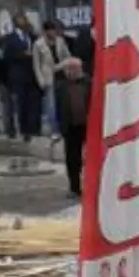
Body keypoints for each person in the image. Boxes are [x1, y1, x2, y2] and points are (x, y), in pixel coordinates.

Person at [53, 58, 91, 197]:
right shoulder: (61, 86)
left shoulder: (89, 83)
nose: (70, 72)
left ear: (79, 69)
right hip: (70, 127)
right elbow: (57, 108)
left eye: (73, 68)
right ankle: (74, 188)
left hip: (88, 126)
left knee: (91, 157)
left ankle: (93, 185)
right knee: (72, 159)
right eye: (67, 69)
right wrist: (57, 127)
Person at [1, 14, 41, 141]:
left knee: (34, 102)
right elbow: (7, 57)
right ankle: (25, 130)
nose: (24, 22)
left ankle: (35, 128)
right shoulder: (9, 39)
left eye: (25, 20)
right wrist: (21, 55)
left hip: (33, 74)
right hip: (18, 75)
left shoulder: (32, 37)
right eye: (21, 20)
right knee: (22, 103)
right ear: (15, 23)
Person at [34, 20, 70, 138]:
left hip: (62, 74)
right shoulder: (38, 44)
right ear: (45, 31)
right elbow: (36, 65)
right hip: (48, 76)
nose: (53, 32)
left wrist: (68, 67)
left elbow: (67, 56)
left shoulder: (60, 41)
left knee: (63, 103)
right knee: (51, 105)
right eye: (50, 30)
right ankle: (54, 130)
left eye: (54, 30)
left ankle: (63, 127)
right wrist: (41, 80)